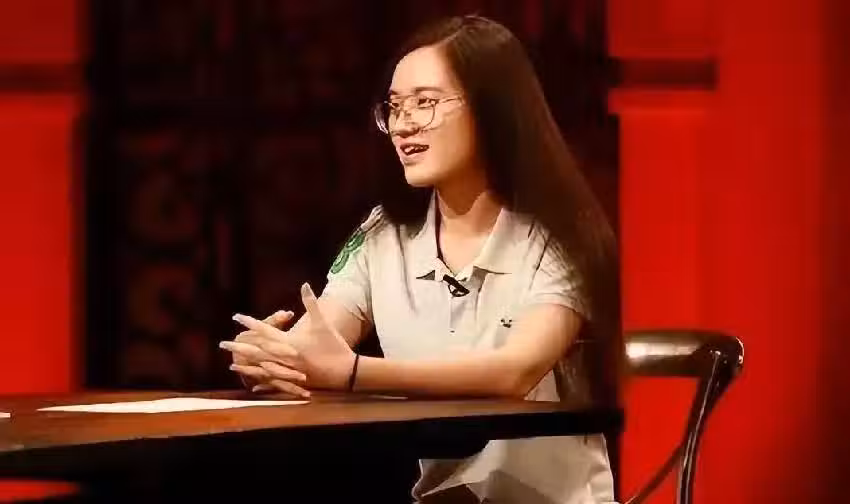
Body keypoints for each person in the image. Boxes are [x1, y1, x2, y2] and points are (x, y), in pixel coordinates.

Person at [219, 14, 623, 504]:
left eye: (425, 103)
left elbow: (515, 371)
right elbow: (318, 344)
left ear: (491, 109)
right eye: (394, 107)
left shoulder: (561, 235)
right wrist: (271, 358)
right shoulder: (382, 233)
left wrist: (352, 373)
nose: (403, 124)